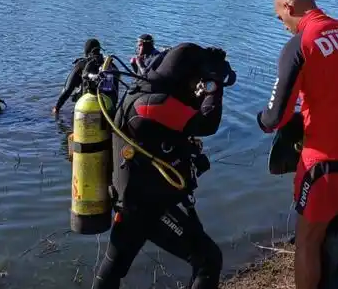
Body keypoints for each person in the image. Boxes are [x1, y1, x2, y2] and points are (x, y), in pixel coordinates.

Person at [255, 0, 338, 289]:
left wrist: (262, 119)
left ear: (288, 7)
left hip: (325, 166)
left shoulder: (301, 44)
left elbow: (274, 117)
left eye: (279, 18)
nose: (282, 25)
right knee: (331, 231)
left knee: (307, 242)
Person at [95, 43, 234, 289]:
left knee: (113, 269)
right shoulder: (151, 104)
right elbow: (207, 124)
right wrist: (213, 85)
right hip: (147, 208)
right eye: (196, 82)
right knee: (208, 260)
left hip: (132, 201)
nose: (196, 89)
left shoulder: (146, 92)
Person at [53, 38, 119, 115]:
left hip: (87, 108)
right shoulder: (111, 66)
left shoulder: (81, 64)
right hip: (108, 109)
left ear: (86, 51)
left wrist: (57, 108)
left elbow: (67, 90)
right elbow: (116, 92)